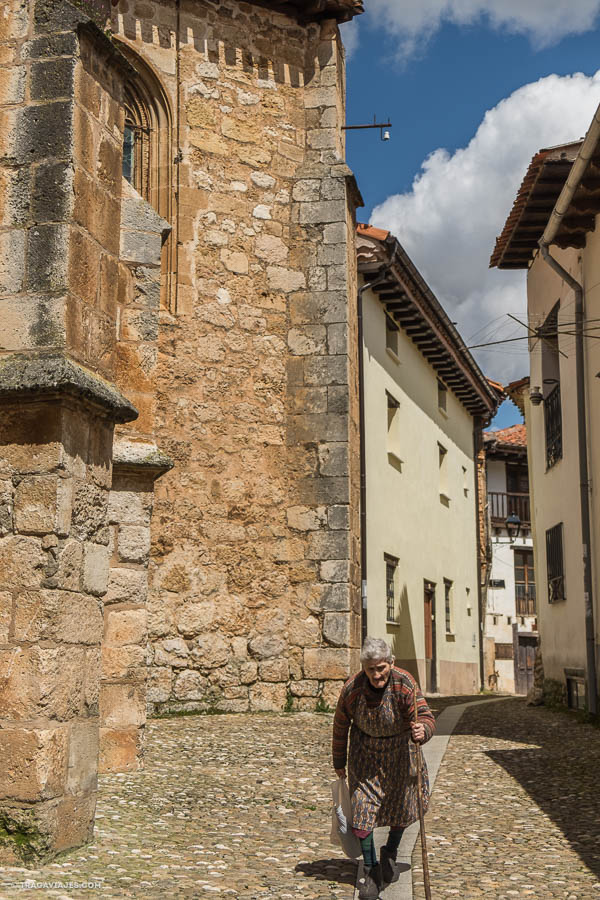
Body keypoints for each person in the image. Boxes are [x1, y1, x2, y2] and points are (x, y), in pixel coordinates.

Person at [332, 637, 436, 900]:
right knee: (362, 812)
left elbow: (425, 715)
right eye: (371, 669)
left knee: (401, 808)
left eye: (381, 668)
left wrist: (422, 730)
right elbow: (340, 726)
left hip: (400, 755)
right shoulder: (353, 689)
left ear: (391, 663)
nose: (377, 674)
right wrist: (338, 762)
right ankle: (369, 870)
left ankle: (390, 852)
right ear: (363, 669)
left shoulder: (405, 684)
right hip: (365, 756)